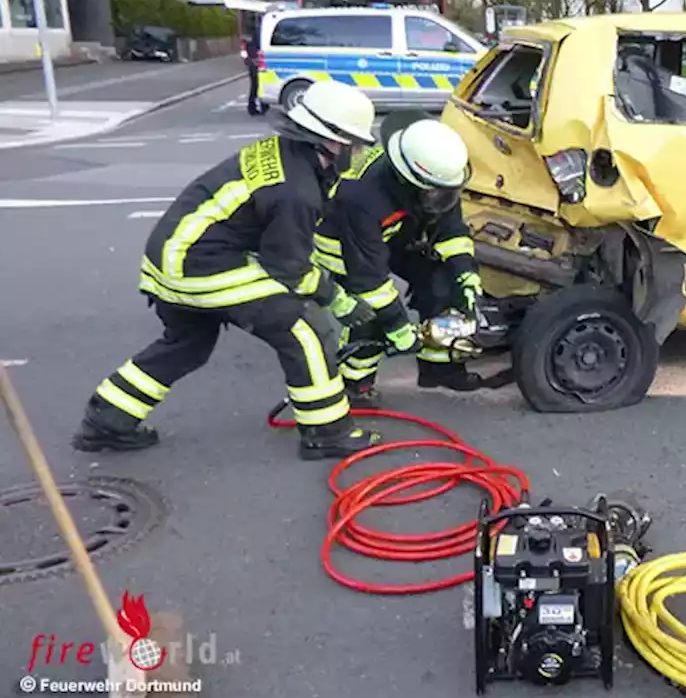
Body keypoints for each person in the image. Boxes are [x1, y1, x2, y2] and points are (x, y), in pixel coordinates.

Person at [71, 80, 384, 461]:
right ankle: (327, 433)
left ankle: (106, 421)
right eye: (351, 143)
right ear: (329, 141)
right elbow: (289, 269)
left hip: (170, 255)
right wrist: (337, 299)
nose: (354, 151)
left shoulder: (285, 154)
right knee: (303, 329)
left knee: (188, 345)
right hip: (200, 265)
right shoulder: (296, 190)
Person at [313, 117, 495, 408]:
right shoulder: (361, 196)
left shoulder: (438, 177)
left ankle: (439, 367)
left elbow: (451, 231)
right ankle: (355, 386)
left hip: (396, 229)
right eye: (435, 193)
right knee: (369, 316)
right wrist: (397, 326)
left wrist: (465, 274)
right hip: (343, 242)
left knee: (442, 283)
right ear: (409, 180)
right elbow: (369, 279)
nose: (442, 198)